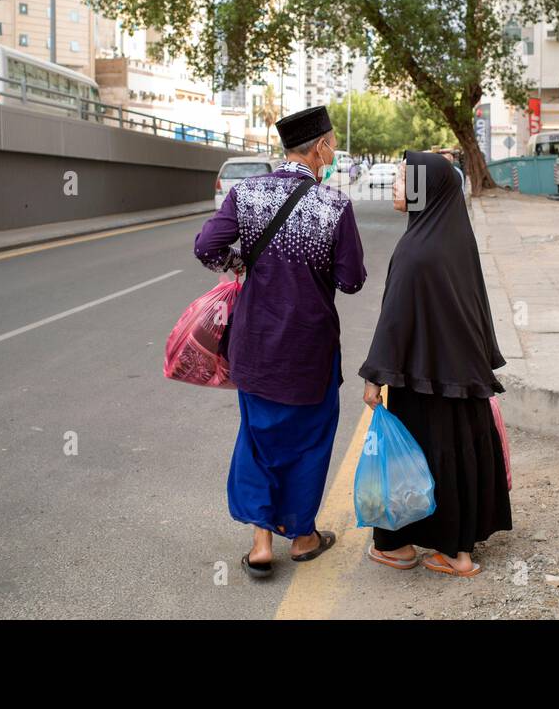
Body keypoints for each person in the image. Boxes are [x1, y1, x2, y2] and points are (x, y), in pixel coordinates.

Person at [194, 105, 367, 579]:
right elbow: (352, 281)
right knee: (309, 440)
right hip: (309, 349)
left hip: (254, 343)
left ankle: (261, 542)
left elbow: (206, 246)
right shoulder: (334, 207)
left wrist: (242, 266)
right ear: (321, 149)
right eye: (331, 144)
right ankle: (304, 537)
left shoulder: (246, 194)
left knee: (257, 436)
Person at [359, 151, 510, 576]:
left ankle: (398, 546)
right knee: (457, 455)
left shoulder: (415, 250)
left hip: (422, 377)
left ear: (427, 189)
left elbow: (395, 322)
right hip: (461, 378)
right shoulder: (455, 237)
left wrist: (374, 375)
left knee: (419, 456)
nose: (394, 183)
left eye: (405, 178)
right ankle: (458, 553)